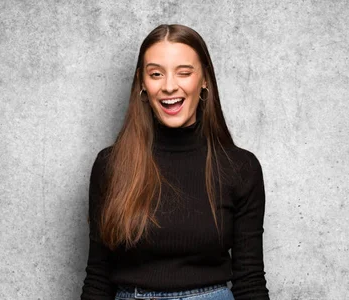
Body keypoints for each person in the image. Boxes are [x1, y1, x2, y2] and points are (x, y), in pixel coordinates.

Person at [80, 24, 269, 300]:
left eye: (184, 72)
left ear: (204, 79)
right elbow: (98, 276)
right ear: (142, 83)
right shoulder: (111, 166)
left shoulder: (241, 168)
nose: (169, 86)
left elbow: (250, 279)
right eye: (156, 74)